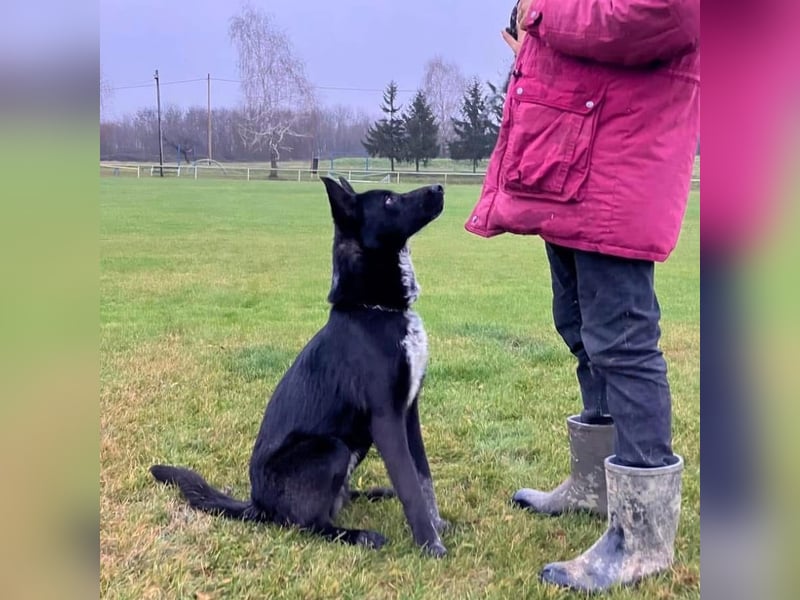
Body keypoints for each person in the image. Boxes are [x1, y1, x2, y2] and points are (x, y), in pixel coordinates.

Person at [465, 0, 699, 593]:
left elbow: (665, 14)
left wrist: (540, 13)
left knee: (622, 341)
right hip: (575, 152)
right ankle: (596, 484)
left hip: (619, 159)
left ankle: (642, 535)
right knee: (579, 326)